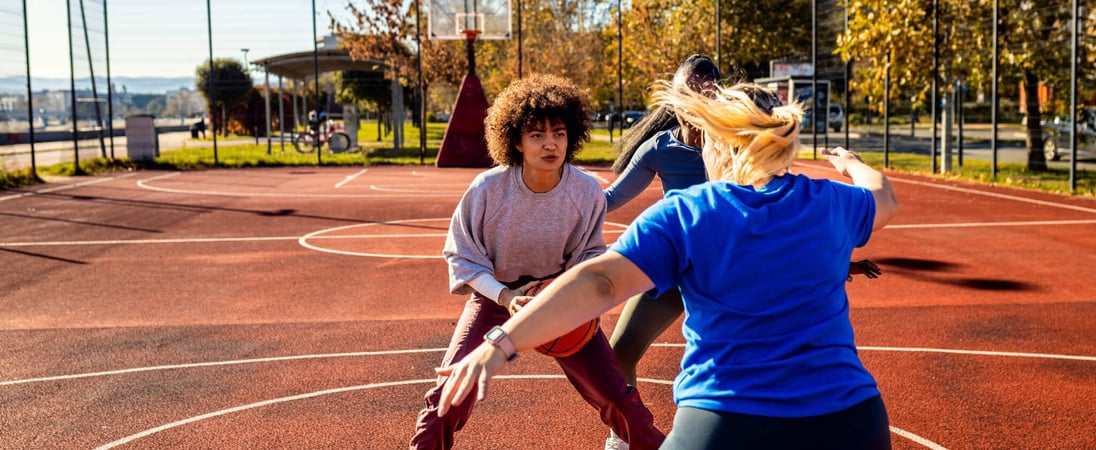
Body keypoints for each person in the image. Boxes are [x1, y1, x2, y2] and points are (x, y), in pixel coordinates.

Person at [434, 81, 900, 450]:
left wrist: (500, 344)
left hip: (729, 421)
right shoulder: (834, 203)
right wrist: (851, 165)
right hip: (851, 421)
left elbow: (599, 282)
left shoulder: (689, 213)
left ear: (719, 143)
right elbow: (885, 199)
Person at [409, 73, 665, 450]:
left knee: (616, 398)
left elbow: (591, 256)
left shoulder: (585, 191)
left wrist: (574, 297)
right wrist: (505, 295)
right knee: (450, 393)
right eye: (537, 135)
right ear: (515, 140)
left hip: (559, 297)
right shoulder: (487, 190)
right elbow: (463, 257)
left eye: (559, 134)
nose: (551, 144)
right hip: (496, 297)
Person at [604, 55, 882, 403]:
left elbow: (776, 214)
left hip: (732, 267)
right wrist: (561, 197)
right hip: (679, 265)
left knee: (742, 358)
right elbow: (610, 200)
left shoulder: (736, 147)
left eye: (703, 95)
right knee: (618, 353)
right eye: (683, 96)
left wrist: (833, 259)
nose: (690, 105)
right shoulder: (660, 149)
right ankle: (624, 435)